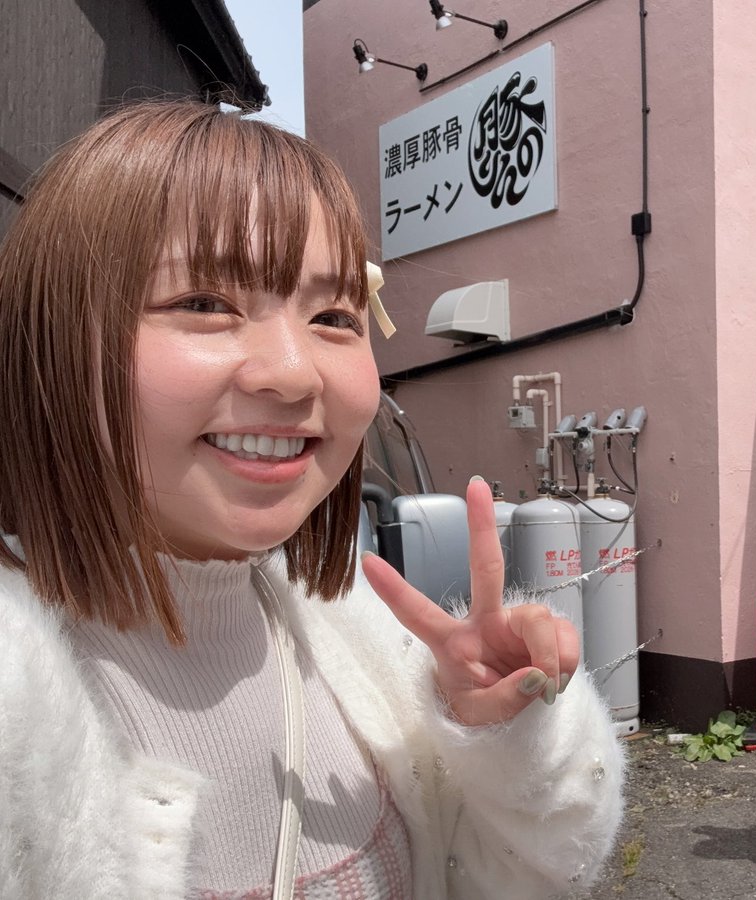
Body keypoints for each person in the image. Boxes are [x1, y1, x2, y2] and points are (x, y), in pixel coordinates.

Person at [0, 101, 623, 899]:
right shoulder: (22, 696)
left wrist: (502, 736)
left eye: (333, 316)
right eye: (204, 304)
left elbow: (529, 879)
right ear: (50, 337)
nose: (293, 373)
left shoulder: (354, 630)